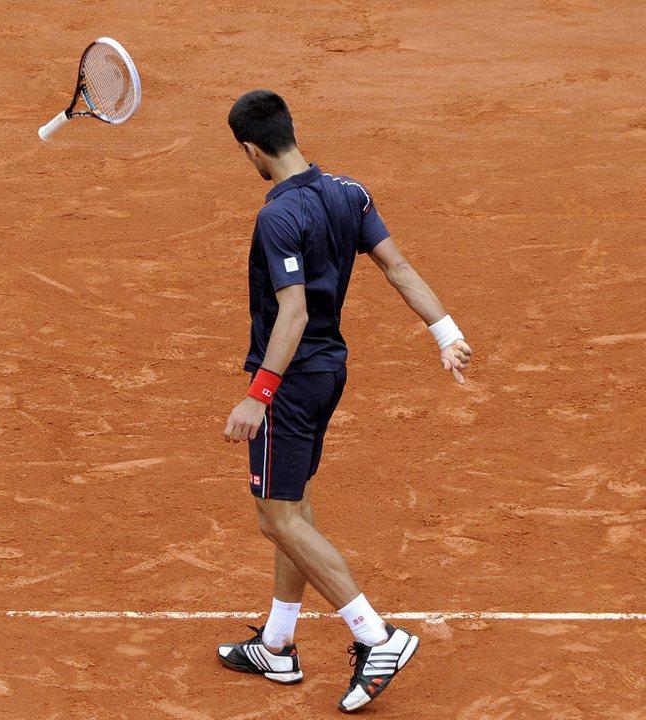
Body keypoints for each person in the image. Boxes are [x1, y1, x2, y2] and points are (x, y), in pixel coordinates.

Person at [215, 89, 473, 714]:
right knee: (296, 507)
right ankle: (277, 644)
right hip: (330, 373)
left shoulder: (276, 217)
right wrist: (446, 331)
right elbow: (399, 268)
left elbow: (293, 311)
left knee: (275, 518)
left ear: (251, 151)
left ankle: (375, 636)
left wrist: (258, 395)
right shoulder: (349, 193)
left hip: (293, 379)